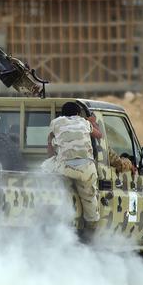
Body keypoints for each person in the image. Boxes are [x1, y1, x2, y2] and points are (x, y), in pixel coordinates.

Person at [47, 102, 102, 239]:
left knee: (56, 184)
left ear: (62, 114)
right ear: (78, 113)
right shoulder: (84, 122)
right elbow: (99, 135)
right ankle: (91, 230)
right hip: (86, 169)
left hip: (64, 168)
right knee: (89, 198)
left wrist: (53, 156)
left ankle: (61, 223)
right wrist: (92, 122)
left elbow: (50, 145)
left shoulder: (56, 122)